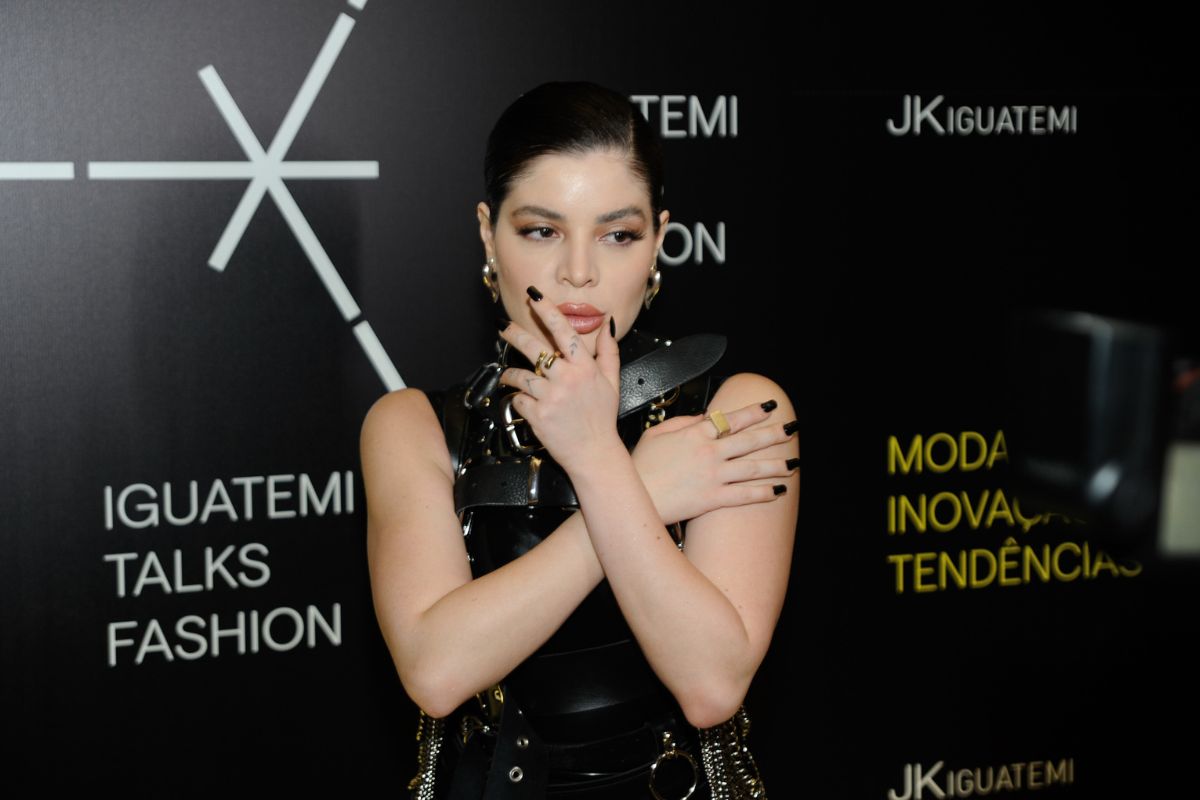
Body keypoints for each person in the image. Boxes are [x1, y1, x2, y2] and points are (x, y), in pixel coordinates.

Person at [362, 81, 799, 799]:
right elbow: (436, 672)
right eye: (542, 230)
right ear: (488, 234)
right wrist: (639, 488)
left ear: (658, 241)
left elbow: (712, 685)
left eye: (617, 234)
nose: (579, 272)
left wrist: (596, 458)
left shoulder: (734, 412)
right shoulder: (414, 426)